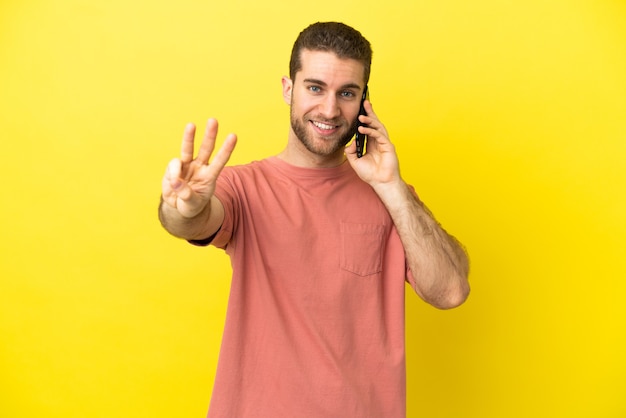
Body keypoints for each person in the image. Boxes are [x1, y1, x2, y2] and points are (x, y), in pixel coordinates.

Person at [159, 21, 470, 418]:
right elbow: (194, 221)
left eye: (347, 93)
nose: (329, 109)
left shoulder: (392, 200)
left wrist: (391, 186)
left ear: (364, 102)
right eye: (315, 87)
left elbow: (450, 291)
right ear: (289, 89)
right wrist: (182, 208)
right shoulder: (246, 188)